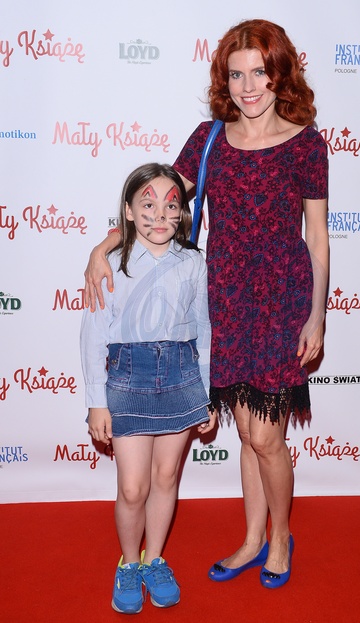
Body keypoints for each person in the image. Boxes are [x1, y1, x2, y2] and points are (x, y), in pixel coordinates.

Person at [85, 19, 329, 589]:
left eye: (260, 73)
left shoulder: (306, 144)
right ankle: (251, 538)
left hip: (282, 300)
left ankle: (280, 536)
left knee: (266, 436)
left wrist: (317, 314)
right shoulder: (210, 138)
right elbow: (157, 201)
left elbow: (317, 237)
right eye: (236, 75)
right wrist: (103, 246)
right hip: (224, 299)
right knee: (245, 433)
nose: (248, 87)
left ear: (280, 74)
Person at [80, 163, 216, 614]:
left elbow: (203, 329)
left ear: (182, 212)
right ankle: (129, 563)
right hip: (127, 377)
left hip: (182, 374)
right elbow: (93, 336)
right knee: (133, 488)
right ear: (128, 210)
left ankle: (155, 560)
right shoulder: (111, 264)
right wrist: (97, 403)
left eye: (171, 205)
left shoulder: (193, 262)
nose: (160, 215)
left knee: (166, 477)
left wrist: (207, 393)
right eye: (148, 204)